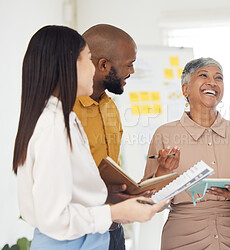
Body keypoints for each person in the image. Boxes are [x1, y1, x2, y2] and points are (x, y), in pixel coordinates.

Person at [13, 25, 165, 249]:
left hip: (90, 237)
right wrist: (115, 211)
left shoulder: (60, 119)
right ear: (68, 66)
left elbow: (72, 191)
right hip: (73, 241)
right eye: (86, 59)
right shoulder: (54, 126)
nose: (92, 69)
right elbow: (55, 218)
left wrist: (110, 198)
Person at [142, 58, 230, 250]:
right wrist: (162, 172)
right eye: (203, 75)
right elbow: (147, 199)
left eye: (219, 78)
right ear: (185, 90)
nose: (212, 82)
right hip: (183, 238)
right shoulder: (165, 134)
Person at [73, 24, 147, 249]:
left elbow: (111, 167)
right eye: (128, 64)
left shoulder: (110, 107)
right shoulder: (65, 110)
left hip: (114, 229)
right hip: (81, 231)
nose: (132, 71)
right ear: (103, 65)